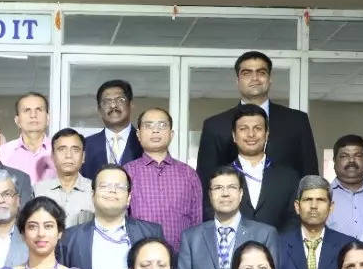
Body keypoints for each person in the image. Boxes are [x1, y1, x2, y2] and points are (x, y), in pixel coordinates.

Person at [195, 51, 319, 192]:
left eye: (261, 72)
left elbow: (310, 175)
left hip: (286, 210)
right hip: (233, 211)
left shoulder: (297, 121)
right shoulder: (215, 125)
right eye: (247, 73)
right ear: (237, 81)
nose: (255, 78)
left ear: (269, 79)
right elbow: (205, 181)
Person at [175, 168, 281, 269]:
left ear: (241, 193)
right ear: (210, 195)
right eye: (218, 188)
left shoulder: (265, 234)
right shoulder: (191, 238)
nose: (225, 193)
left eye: (231, 187)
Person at [59, 166, 164, 269]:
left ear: (129, 197)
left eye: (119, 187)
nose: (112, 190)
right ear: (92, 195)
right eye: (105, 186)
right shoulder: (70, 238)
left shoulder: (150, 234)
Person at [123, 108, 202, 252]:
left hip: (181, 260)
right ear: (138, 134)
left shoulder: (189, 174)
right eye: (148, 125)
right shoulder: (126, 172)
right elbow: (121, 220)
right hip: (139, 259)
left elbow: (197, 222)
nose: (155, 131)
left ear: (171, 134)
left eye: (162, 125)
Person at [278, 176, 352, 269]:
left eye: (320, 200)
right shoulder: (277, 244)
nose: (313, 206)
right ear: (297, 206)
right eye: (307, 200)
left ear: (331, 207)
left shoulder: (347, 246)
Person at [224, 104, 301, 231]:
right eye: (243, 129)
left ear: (266, 134)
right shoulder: (221, 177)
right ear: (234, 136)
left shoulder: (289, 177)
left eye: (257, 128)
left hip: (277, 248)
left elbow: (294, 219)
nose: (251, 134)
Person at [82, 80, 143, 180]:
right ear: (99, 110)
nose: (113, 105)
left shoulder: (145, 142)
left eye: (120, 100)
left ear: (131, 104)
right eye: (106, 101)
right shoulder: (86, 145)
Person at [34, 129, 94, 228]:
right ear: (52, 156)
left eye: (75, 150)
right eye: (62, 149)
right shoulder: (38, 191)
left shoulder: (95, 191)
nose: (68, 155)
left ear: (83, 157)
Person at [0, 93, 55, 183]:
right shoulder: (3, 152)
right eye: (27, 110)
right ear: (17, 121)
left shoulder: (60, 150)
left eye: (39, 109)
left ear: (48, 118)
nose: (33, 115)